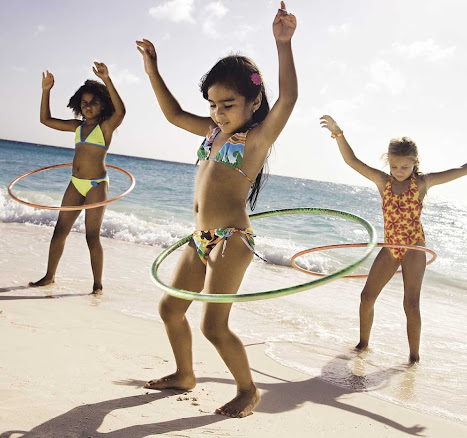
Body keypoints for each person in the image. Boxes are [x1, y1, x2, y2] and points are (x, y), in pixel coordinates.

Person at [136, 1, 297, 417]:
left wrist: (283, 44)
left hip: (231, 240)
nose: (218, 112)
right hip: (200, 238)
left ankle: (247, 390)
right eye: (212, 104)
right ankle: (184, 374)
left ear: (253, 100)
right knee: (170, 308)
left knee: (213, 325)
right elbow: (172, 114)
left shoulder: (255, 141)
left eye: (228, 104)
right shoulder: (211, 134)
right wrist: (153, 70)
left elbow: (290, 98)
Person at [320, 114, 467, 363]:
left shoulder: (422, 183)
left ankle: (413, 359)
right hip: (390, 247)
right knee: (366, 297)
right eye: (395, 167)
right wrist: (338, 132)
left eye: (405, 167)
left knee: (410, 304)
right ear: (388, 163)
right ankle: (363, 345)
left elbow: (462, 170)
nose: (399, 172)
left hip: (413, 247)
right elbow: (351, 160)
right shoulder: (383, 182)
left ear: (415, 163)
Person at [30, 62, 125, 295]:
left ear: (102, 104)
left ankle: (97, 285)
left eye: (93, 102)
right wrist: (46, 90)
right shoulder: (77, 127)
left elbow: (121, 112)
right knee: (59, 230)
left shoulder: (105, 127)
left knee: (91, 236)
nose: (89, 106)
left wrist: (107, 79)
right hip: (75, 183)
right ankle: (49, 276)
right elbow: (45, 120)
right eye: (85, 103)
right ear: (78, 106)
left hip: (96, 184)